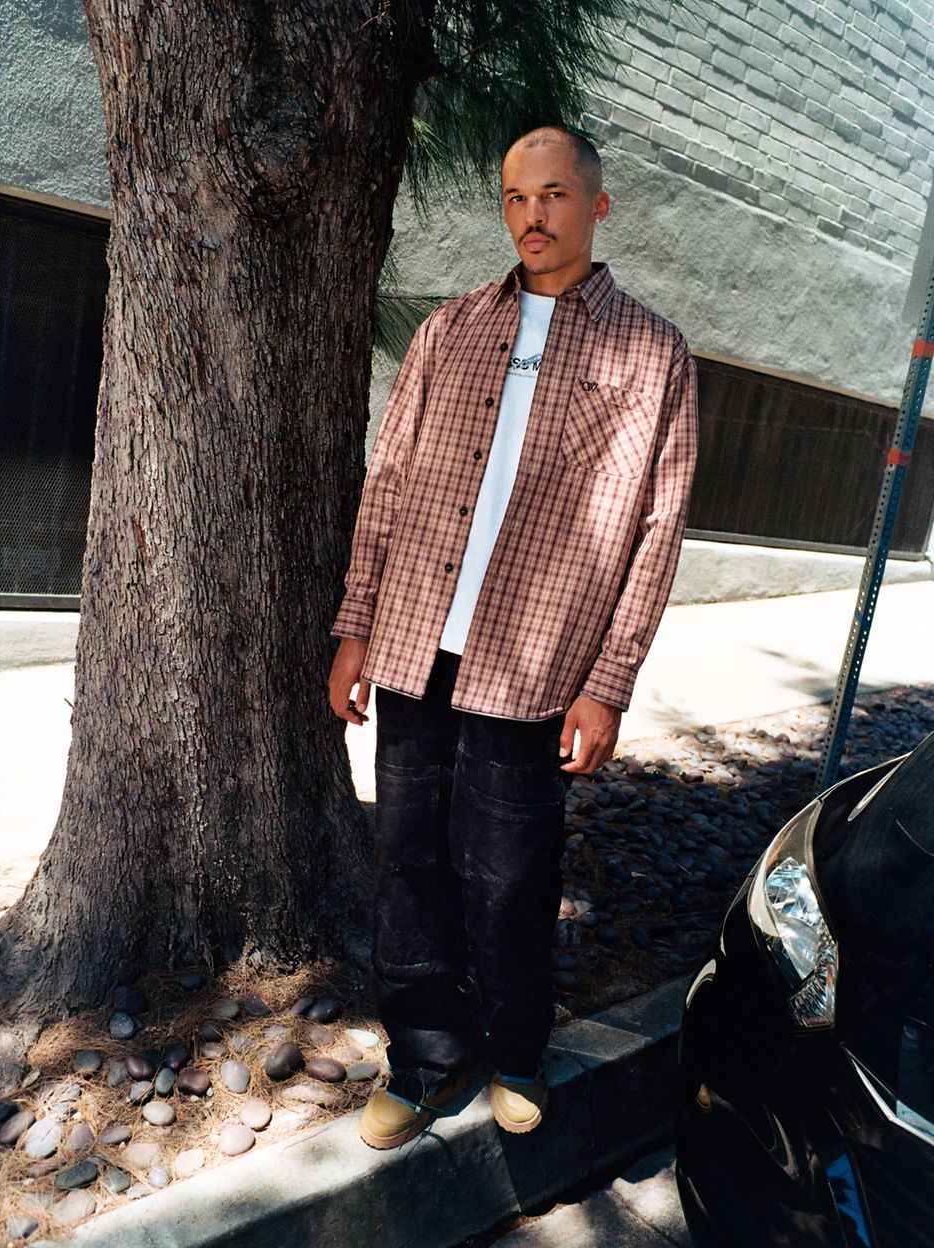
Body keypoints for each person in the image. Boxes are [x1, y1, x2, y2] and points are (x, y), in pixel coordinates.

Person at [329, 123, 698, 1149]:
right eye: (515, 197)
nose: (532, 216)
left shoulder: (654, 353)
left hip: (534, 665)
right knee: (407, 863)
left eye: (554, 195)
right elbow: (388, 480)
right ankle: (425, 1058)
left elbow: (657, 528)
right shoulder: (450, 330)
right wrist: (356, 625)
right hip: (415, 641)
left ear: (597, 205)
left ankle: (518, 1048)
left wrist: (609, 682)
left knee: (511, 875)